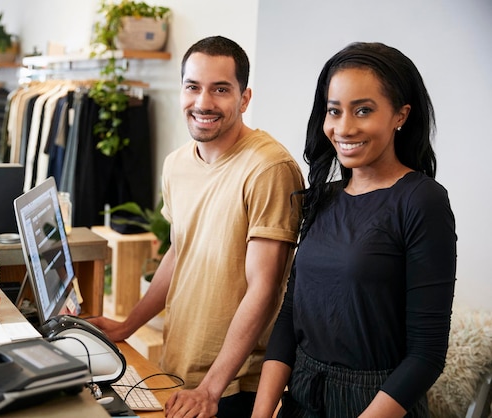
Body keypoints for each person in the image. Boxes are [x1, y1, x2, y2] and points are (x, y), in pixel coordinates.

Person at [89, 36, 304, 418]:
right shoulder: (176, 164)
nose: (203, 102)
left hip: (233, 382)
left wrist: (210, 389)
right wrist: (127, 325)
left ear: (245, 98)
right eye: (193, 87)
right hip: (179, 364)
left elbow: (265, 288)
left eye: (220, 89)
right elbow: (179, 252)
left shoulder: (269, 168)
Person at [251, 42, 457, 418]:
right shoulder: (322, 198)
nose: (343, 128)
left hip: (376, 405)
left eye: (363, 110)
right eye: (334, 111)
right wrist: (261, 411)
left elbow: (426, 355)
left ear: (400, 115)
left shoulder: (422, 201)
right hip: (302, 398)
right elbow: (291, 315)